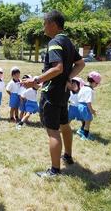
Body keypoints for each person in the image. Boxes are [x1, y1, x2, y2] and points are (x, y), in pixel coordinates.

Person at [22, 10, 85, 178]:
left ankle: (54, 170)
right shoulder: (67, 41)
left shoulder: (54, 42)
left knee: (53, 131)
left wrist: (36, 80)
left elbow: (57, 68)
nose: (43, 27)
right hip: (63, 94)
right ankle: (68, 156)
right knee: (64, 125)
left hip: (52, 94)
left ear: (53, 25)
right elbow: (80, 63)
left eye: (44, 23)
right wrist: (68, 78)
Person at [77, 71, 101, 141]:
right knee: (88, 122)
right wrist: (92, 111)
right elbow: (88, 103)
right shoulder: (89, 90)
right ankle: (85, 136)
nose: (97, 85)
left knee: (84, 120)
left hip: (79, 106)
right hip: (85, 107)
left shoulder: (83, 87)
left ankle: (81, 130)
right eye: (97, 83)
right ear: (93, 82)